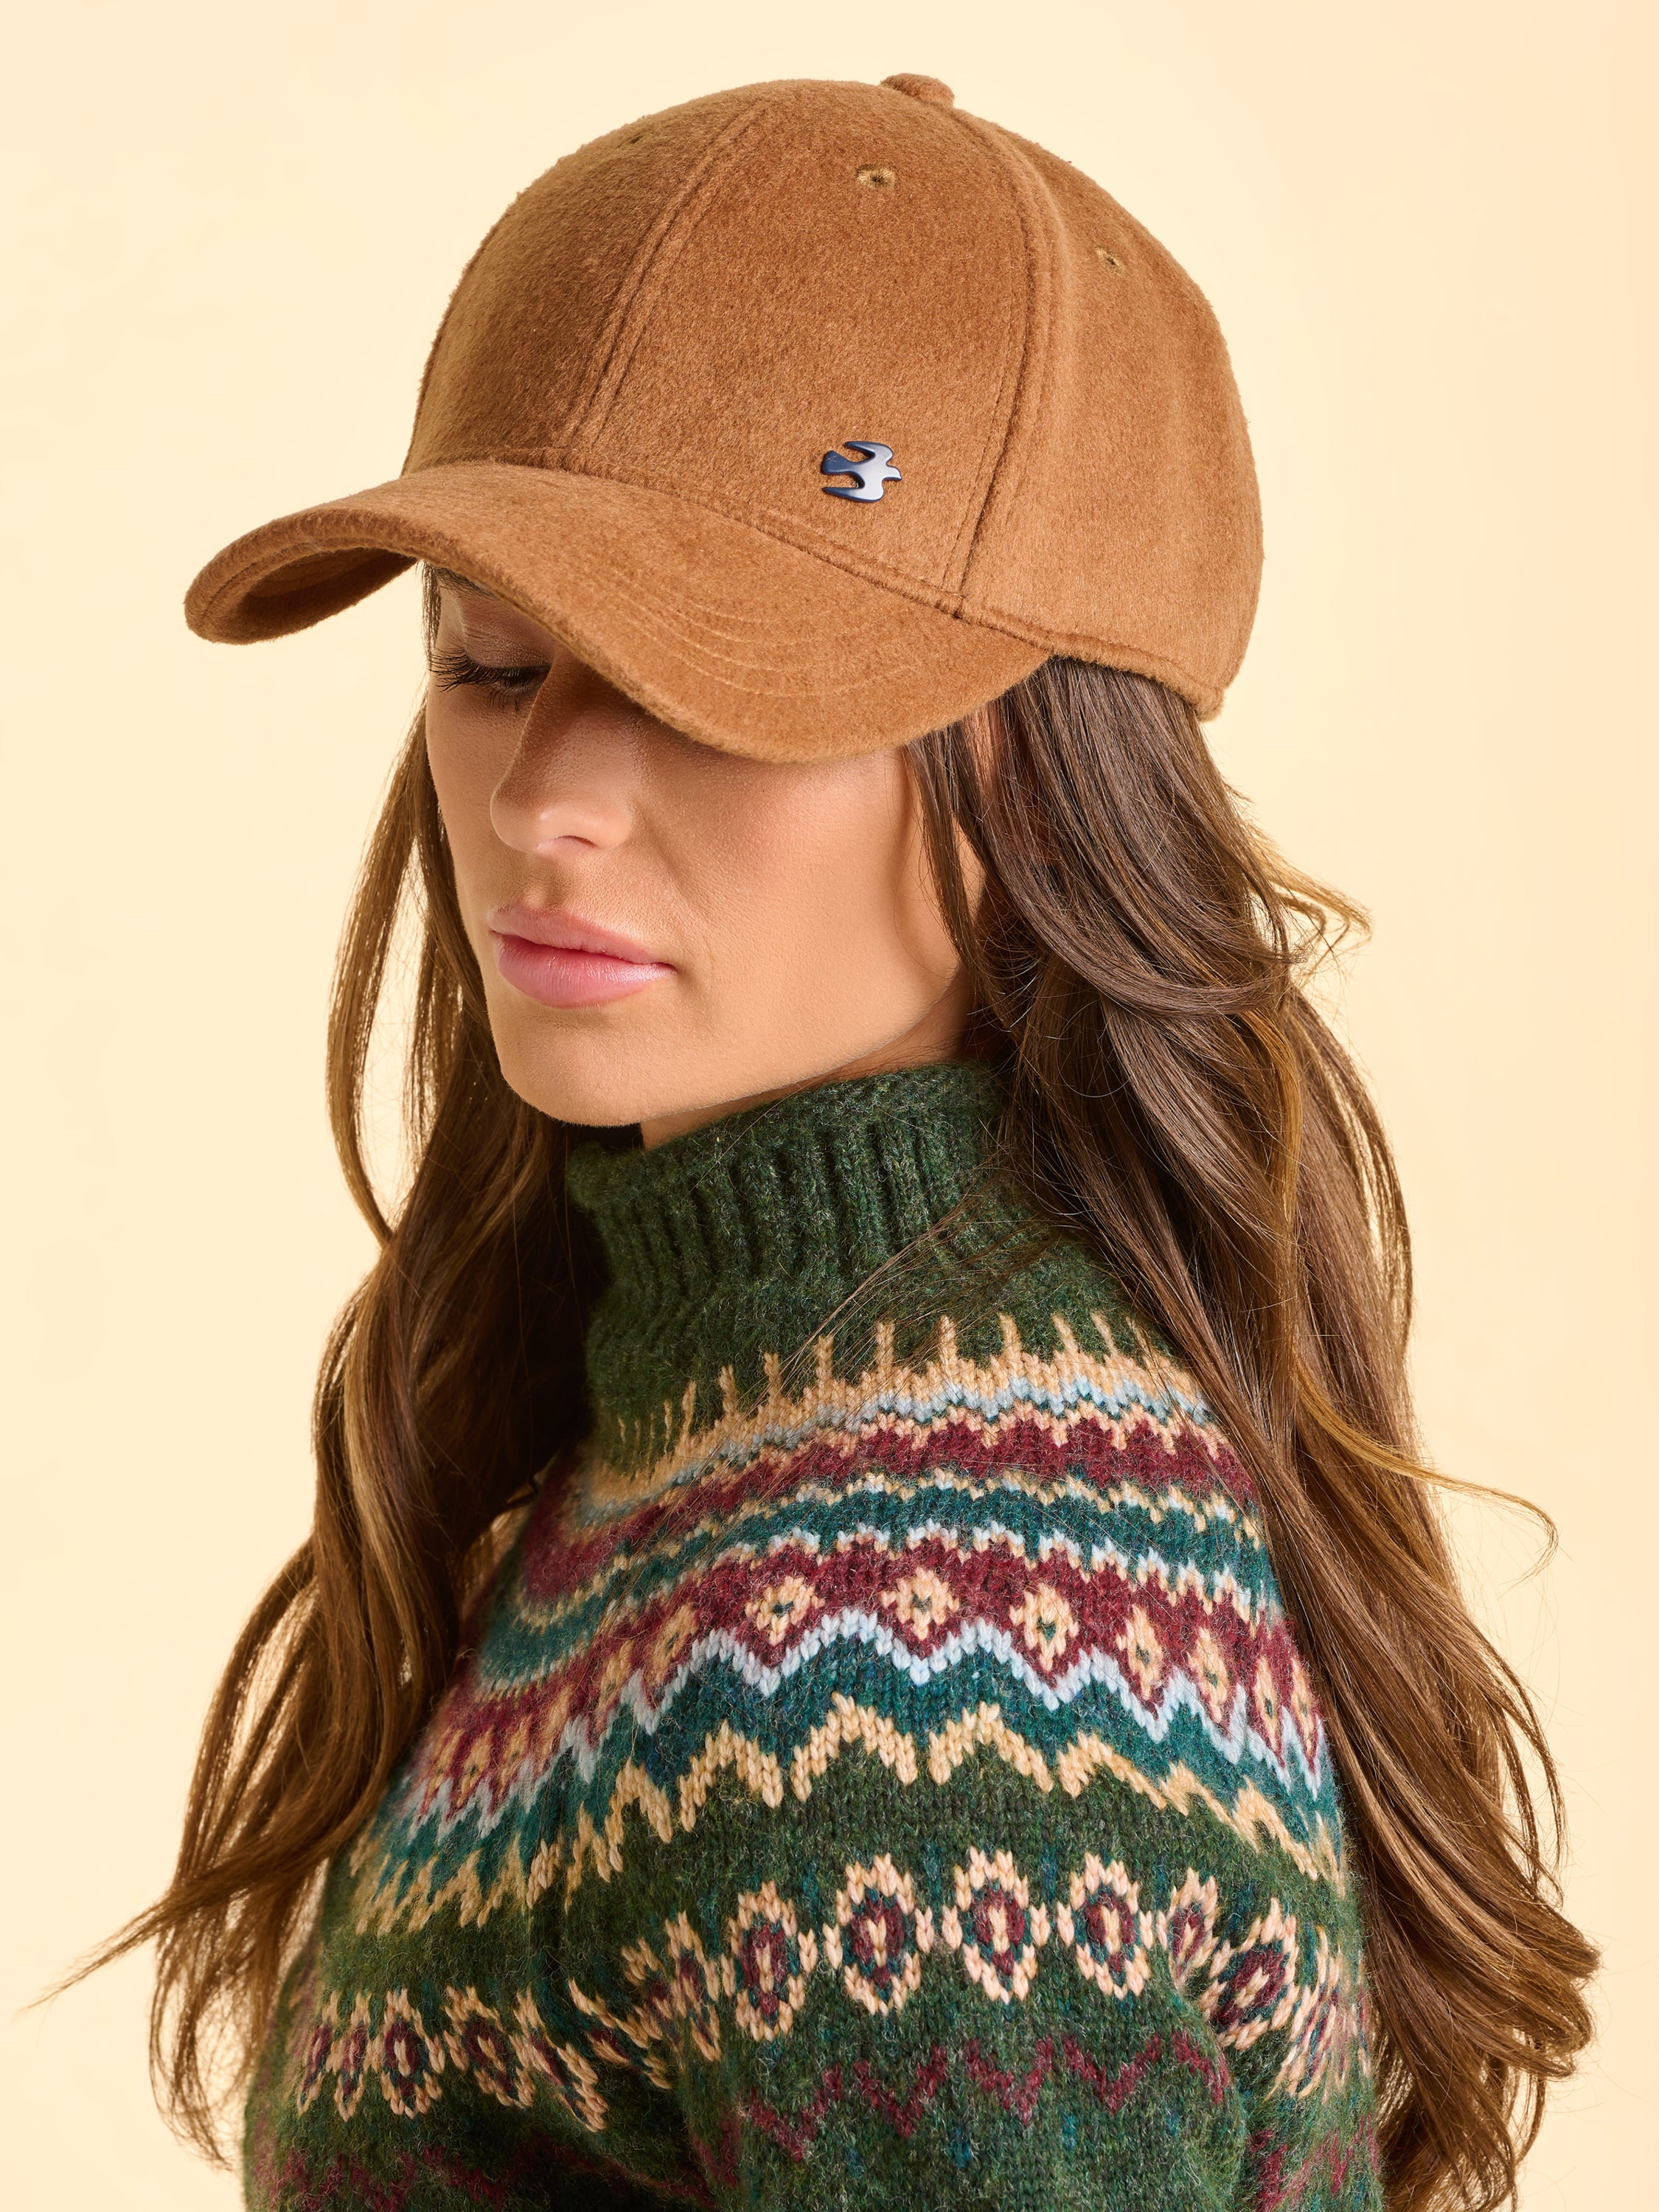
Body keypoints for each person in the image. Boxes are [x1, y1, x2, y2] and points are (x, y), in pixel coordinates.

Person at [91, 70, 1595, 2212]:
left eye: (708, 688)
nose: (542, 800)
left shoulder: (917, 1654)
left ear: (1052, 767)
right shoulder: (723, 1436)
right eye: (488, 662)